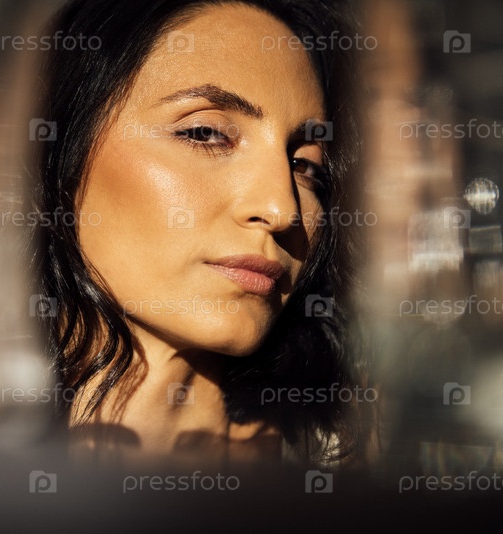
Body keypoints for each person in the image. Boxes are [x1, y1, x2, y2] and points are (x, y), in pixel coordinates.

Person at [28, 0, 372, 466]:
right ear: (56, 150)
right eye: (205, 133)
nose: (281, 209)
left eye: (304, 165)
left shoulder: (350, 473)